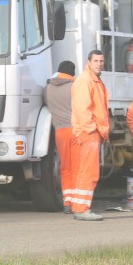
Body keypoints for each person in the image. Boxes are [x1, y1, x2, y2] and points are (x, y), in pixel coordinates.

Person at [70, 50, 109, 221]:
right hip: (89, 132)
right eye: (96, 60)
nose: (99, 63)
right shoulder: (85, 81)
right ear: (89, 62)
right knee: (88, 172)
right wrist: (91, 128)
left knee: (87, 171)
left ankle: (80, 207)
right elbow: (81, 108)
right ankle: (81, 209)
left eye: (101, 60)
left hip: (93, 131)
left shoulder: (93, 80)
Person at [43, 60, 78, 214]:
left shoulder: (47, 88)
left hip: (59, 132)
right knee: (78, 168)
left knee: (65, 168)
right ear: (73, 72)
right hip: (76, 130)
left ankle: (67, 202)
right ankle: (78, 202)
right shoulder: (75, 87)